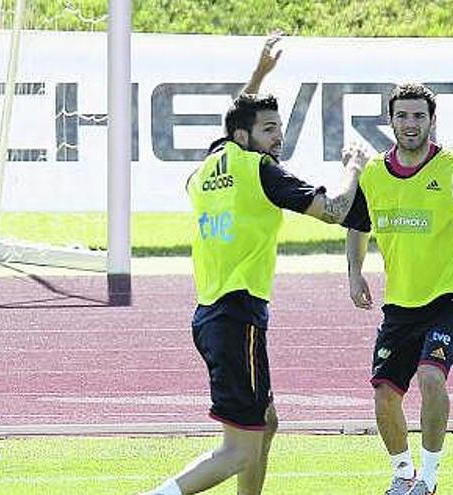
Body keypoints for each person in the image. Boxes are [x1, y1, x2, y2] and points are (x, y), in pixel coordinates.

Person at [142, 33, 368, 495]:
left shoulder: (210, 164)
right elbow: (337, 209)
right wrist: (354, 166)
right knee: (239, 449)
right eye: (270, 130)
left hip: (211, 314)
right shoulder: (261, 170)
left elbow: (235, 121)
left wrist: (260, 74)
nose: (278, 138)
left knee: (266, 421)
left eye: (280, 129)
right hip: (236, 314)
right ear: (246, 137)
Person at [342, 83, 453, 495]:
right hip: (399, 303)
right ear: (391, 120)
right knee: (384, 394)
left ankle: (428, 478)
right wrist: (355, 273)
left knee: (431, 376)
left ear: (432, 120)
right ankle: (402, 472)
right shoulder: (375, 173)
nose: (410, 124)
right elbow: (358, 226)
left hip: (449, 299)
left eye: (418, 116)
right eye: (402, 116)